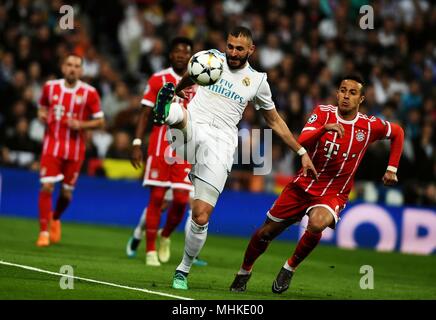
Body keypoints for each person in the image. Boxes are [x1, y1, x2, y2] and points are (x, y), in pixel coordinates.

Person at [152, 26, 317, 290]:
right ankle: (167, 111)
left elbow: (274, 120)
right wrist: (176, 90)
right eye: (230, 46)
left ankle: (183, 270)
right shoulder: (210, 59)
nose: (233, 52)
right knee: (179, 115)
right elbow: (191, 76)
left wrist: (300, 151)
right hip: (193, 126)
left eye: (239, 48)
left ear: (251, 50)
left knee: (201, 216)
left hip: (221, 143)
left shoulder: (258, 80)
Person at [229, 75, 404, 294]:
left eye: (352, 93)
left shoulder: (368, 126)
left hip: (333, 192)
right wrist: (324, 129)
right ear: (337, 93)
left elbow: (398, 132)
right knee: (266, 232)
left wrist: (392, 168)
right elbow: (300, 142)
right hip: (303, 184)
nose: (346, 96)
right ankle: (244, 271)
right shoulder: (323, 113)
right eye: (342, 90)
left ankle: (289, 268)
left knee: (317, 223)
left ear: (361, 99)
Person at [127, 37, 206, 267]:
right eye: (178, 51)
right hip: (160, 147)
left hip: (185, 147)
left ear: (191, 57)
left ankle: (165, 236)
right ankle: (150, 249)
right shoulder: (158, 79)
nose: (182, 55)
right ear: (171, 55)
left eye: (186, 52)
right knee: (157, 199)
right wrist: (136, 142)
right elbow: (145, 113)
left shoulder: (200, 82)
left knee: (182, 201)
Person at [36, 54, 105, 247]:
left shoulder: (90, 92)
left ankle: (55, 218)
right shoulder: (50, 87)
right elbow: (41, 107)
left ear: (81, 71)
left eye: (76, 66)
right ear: (63, 67)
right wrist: (42, 115)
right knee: (47, 186)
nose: (72, 69)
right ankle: (43, 233)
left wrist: (81, 124)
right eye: (69, 65)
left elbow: (101, 121)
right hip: (52, 146)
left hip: (75, 151)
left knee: (66, 194)